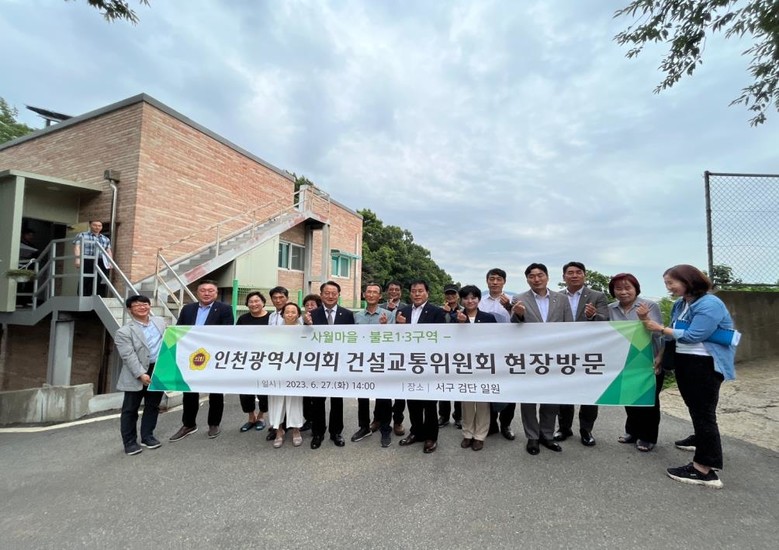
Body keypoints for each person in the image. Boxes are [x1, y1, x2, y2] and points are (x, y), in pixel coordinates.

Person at [640, 264, 736, 489]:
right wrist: (661, 355)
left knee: (704, 413)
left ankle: (704, 468)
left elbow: (694, 335)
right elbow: (673, 334)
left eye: (671, 283)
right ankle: (701, 440)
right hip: (686, 362)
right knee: (696, 408)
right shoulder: (681, 304)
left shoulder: (710, 304)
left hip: (705, 364)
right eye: (666, 283)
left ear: (688, 281)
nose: (669, 287)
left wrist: (659, 328)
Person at [510, 263, 572, 455]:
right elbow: (513, 326)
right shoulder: (519, 299)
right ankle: (532, 437)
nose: (536, 279)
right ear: (527, 279)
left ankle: (547, 435)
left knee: (551, 398)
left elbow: (570, 326)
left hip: (555, 356)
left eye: (540, 275)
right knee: (528, 399)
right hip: (529, 357)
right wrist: (519, 316)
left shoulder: (562, 299)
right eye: (531, 276)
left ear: (547, 277)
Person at [169, 279, 234, 442]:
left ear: (216, 293)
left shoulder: (225, 309)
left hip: (213, 357)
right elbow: (179, 330)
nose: (206, 293)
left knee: (216, 392)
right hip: (191, 356)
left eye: (210, 290)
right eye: (203, 290)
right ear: (197, 293)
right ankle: (188, 424)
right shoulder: (187, 309)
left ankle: (214, 424)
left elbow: (227, 332)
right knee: (189, 392)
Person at [608, 273, 665, 452]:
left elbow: (660, 333)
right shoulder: (610, 309)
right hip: (624, 361)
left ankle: (648, 437)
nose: (623, 292)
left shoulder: (649, 306)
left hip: (649, 360)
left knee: (649, 400)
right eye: (618, 288)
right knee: (629, 398)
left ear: (636, 289)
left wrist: (645, 319)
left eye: (628, 288)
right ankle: (632, 432)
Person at [555, 261, 609, 446]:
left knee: (589, 393)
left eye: (578, 272)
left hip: (589, 351)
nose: (574, 275)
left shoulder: (597, 296)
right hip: (564, 351)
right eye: (570, 273)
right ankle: (564, 428)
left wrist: (593, 316)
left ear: (584, 275)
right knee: (564, 391)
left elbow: (606, 320)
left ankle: (586, 430)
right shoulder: (557, 297)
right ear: (564, 277)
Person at [396, 279, 447, 453]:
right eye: (413, 291)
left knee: (429, 403)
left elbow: (440, 338)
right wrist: (399, 327)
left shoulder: (436, 312)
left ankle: (431, 437)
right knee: (413, 401)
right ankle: (416, 432)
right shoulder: (402, 311)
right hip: (409, 363)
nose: (416, 294)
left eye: (420, 291)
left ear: (427, 293)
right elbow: (396, 338)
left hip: (428, 364)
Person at [115, 295, 168, 455]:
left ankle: (147, 436)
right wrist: (140, 374)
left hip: (158, 369)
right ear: (129, 310)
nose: (142, 307)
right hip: (136, 372)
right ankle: (130, 442)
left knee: (153, 405)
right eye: (137, 305)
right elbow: (128, 355)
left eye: (145, 304)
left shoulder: (160, 322)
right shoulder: (124, 332)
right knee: (130, 409)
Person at [304, 280, 354, 449]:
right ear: (321, 295)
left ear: (338, 295)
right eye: (327, 293)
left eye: (334, 293)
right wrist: (307, 326)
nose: (330, 296)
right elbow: (305, 340)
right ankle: (318, 433)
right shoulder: (312, 315)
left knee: (337, 400)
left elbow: (351, 339)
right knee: (317, 400)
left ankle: (336, 432)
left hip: (339, 364)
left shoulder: (347, 314)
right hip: (318, 364)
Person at [351, 282, 395, 447]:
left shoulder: (388, 315)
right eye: (368, 292)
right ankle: (364, 427)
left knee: (384, 397)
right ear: (364, 295)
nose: (371, 294)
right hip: (362, 360)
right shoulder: (356, 316)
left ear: (380, 296)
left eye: (374, 292)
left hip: (381, 361)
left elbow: (394, 338)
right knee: (362, 396)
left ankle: (385, 429)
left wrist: (385, 327)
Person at [455, 285, 497, 451]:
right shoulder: (455, 317)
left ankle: (480, 436)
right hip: (463, 364)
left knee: (482, 401)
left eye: (473, 298)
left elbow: (494, 340)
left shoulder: (488, 318)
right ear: (461, 300)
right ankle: (467, 433)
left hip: (483, 364)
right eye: (466, 298)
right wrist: (460, 324)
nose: (470, 301)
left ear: (479, 299)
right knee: (466, 400)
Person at [478, 268, 516, 442]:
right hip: (486, 352)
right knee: (489, 388)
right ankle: (491, 424)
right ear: (487, 281)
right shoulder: (480, 301)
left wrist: (510, 307)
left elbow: (521, 321)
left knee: (509, 389)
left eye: (498, 279)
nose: (494, 282)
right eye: (491, 279)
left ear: (504, 282)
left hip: (508, 351)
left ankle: (506, 424)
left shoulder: (513, 299)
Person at [268, 302, 306, 448]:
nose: (290, 314)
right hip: (277, 371)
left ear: (298, 315)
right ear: (282, 314)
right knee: (276, 400)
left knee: (295, 400)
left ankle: (296, 430)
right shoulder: (274, 331)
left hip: (295, 371)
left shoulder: (304, 331)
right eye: (287, 312)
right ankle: (279, 431)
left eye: (293, 312)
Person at [236, 291, 270, 433]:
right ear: (247, 304)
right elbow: (235, 337)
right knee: (245, 391)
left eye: (257, 301)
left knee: (264, 391)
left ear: (263, 302)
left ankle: (261, 416)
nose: (254, 304)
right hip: (246, 360)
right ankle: (251, 417)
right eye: (251, 301)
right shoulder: (243, 319)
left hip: (267, 361)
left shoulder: (271, 318)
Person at [439, 283, 463, 429]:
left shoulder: (463, 310)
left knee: (458, 385)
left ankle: (459, 416)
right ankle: (444, 415)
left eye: (453, 294)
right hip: (442, 352)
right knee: (444, 386)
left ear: (458, 295)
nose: (450, 296)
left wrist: (452, 314)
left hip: (459, 352)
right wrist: (444, 313)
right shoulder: (439, 310)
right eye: (448, 294)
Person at [72, 220, 113, 296]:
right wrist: (78, 259)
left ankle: (94, 296)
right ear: (90, 225)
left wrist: (110, 261)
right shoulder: (82, 235)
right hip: (87, 259)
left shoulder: (105, 239)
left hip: (100, 260)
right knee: (86, 279)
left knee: (99, 279)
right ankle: (82, 296)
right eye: (95, 225)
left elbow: (108, 251)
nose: (97, 227)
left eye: (99, 226)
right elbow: (77, 247)